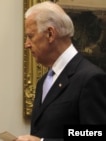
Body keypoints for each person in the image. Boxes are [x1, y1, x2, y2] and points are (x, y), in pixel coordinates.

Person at [15, 1, 106, 141]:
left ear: (50, 34)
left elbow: (95, 134)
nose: (26, 44)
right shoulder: (43, 82)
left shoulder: (90, 78)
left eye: (31, 36)